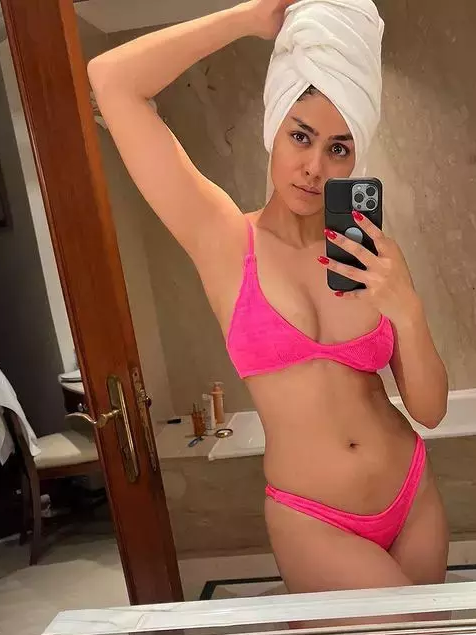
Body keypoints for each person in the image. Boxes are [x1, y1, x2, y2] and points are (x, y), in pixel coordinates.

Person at [88, 0, 449, 594]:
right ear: (273, 126)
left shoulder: (370, 251)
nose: (313, 167)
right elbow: (112, 80)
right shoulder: (225, 240)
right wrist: (248, 18)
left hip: (412, 494)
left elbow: (430, 411)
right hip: (315, 520)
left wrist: (407, 310)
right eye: (300, 136)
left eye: (338, 148)